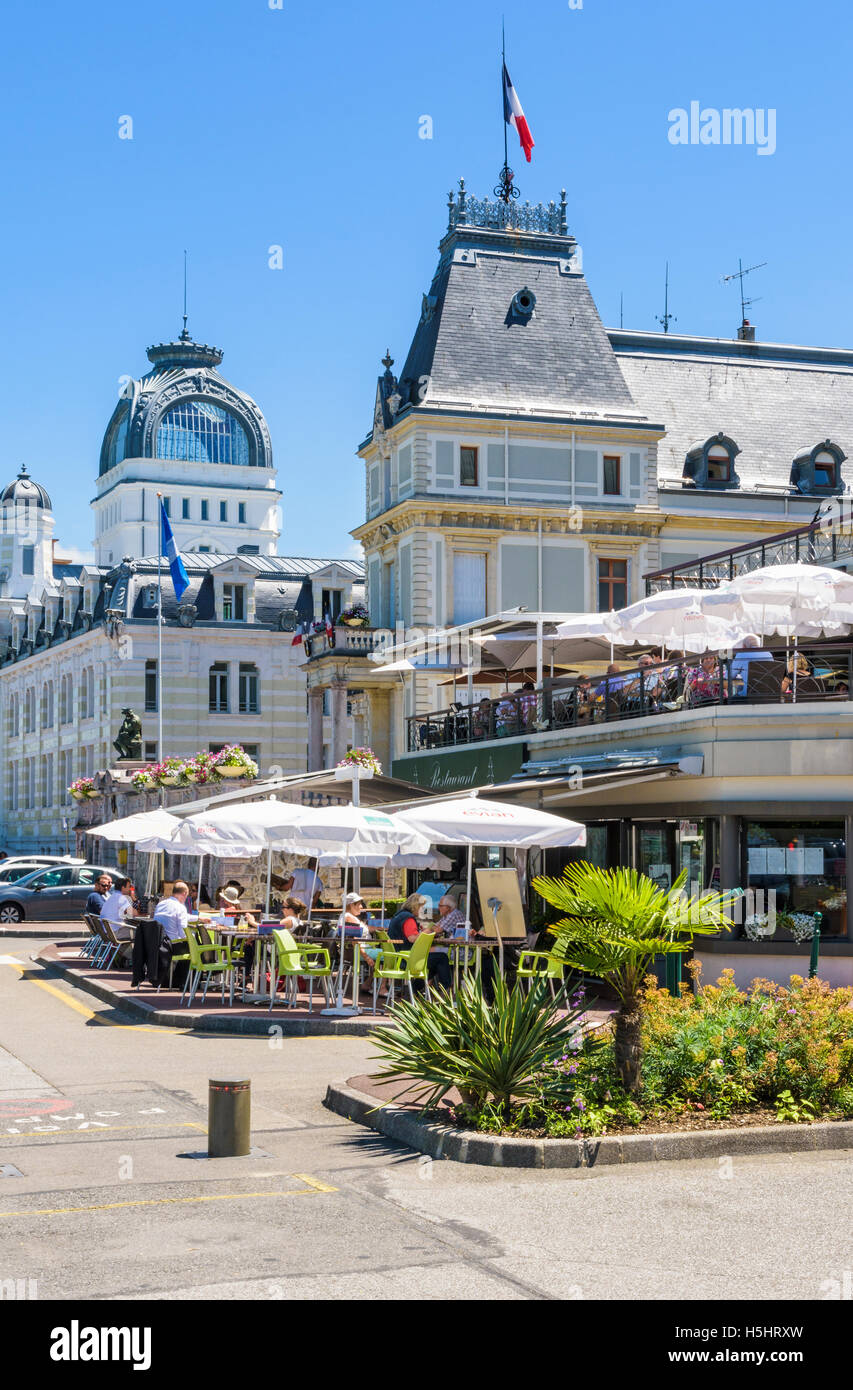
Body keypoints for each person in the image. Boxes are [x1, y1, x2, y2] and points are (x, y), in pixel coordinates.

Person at [100, 877, 140, 941]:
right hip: (115, 933)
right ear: (123, 888)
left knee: (133, 927)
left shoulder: (113, 896)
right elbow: (135, 913)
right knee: (142, 932)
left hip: (106, 932)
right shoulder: (121, 897)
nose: (130, 889)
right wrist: (133, 897)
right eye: (129, 886)